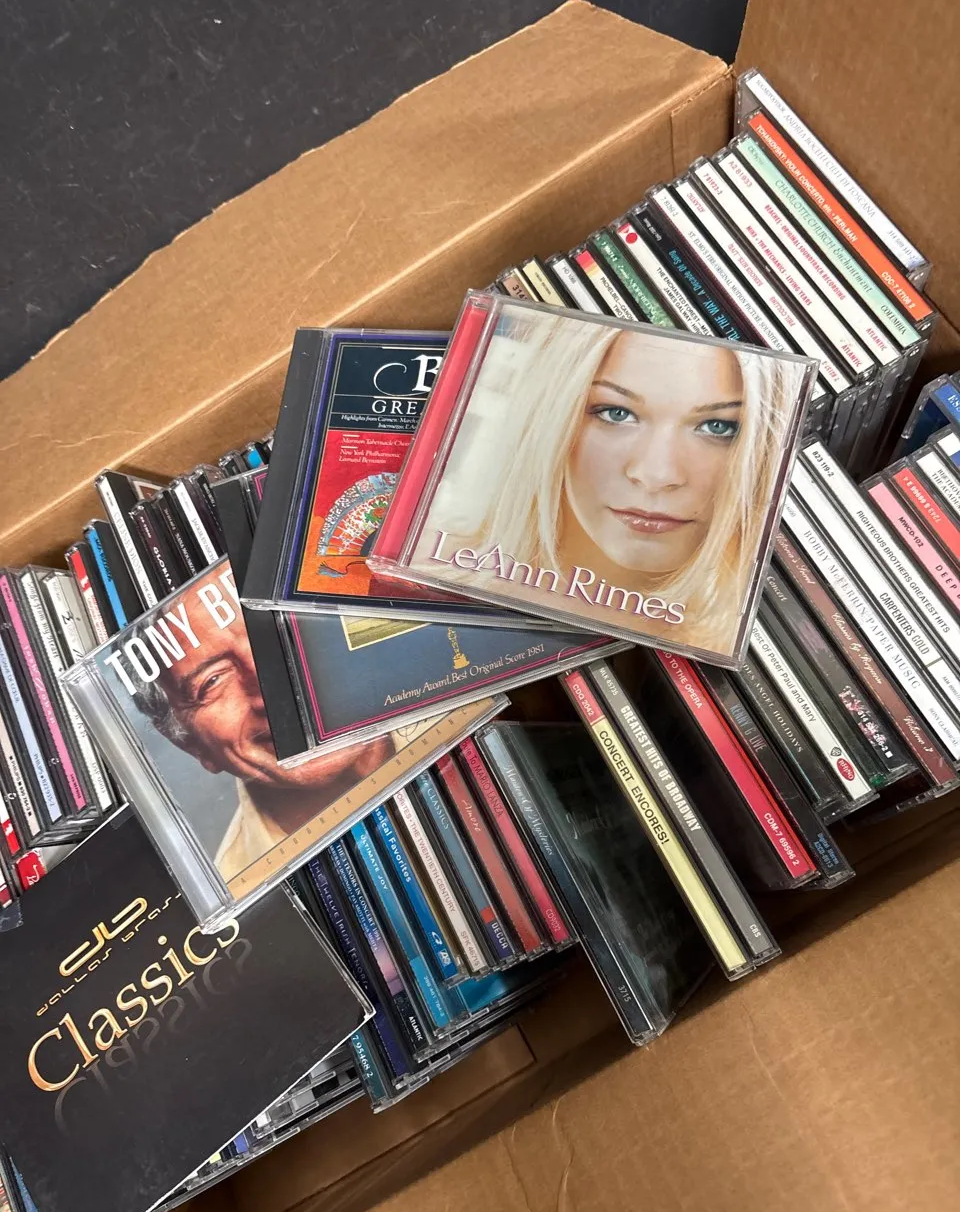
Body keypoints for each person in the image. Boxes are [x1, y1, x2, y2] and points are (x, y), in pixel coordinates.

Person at [423, 308, 804, 654]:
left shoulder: (763, 644)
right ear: (551, 415)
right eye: (616, 413)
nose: (656, 475)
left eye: (718, 427)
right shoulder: (430, 572)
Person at [132, 565, 394, 881]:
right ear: (187, 742)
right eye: (213, 681)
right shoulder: (238, 887)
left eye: (276, 622)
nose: (276, 688)